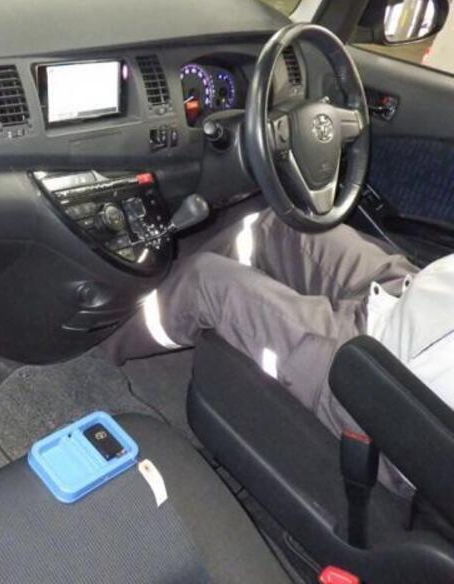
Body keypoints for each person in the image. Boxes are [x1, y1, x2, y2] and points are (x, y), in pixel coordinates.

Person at [104, 208, 454, 495]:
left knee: (203, 286)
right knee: (276, 226)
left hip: (384, 386)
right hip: (412, 298)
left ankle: (100, 345)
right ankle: (160, 293)